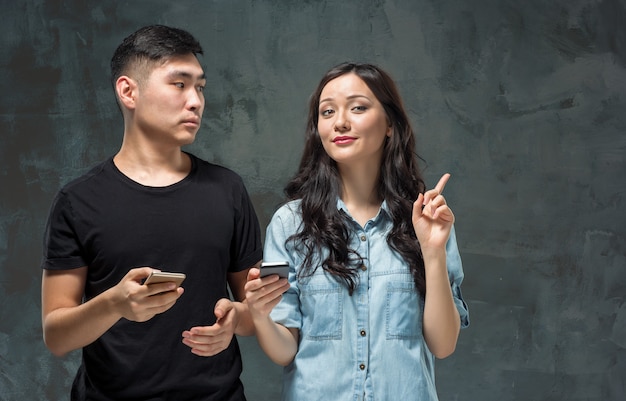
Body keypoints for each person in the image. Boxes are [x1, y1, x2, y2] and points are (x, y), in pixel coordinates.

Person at [41, 25, 262, 401]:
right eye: (179, 84)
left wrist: (235, 321)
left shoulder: (228, 190)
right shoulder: (78, 201)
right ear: (129, 91)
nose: (195, 101)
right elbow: (56, 336)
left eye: (200, 87)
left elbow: (257, 310)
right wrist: (114, 303)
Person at [244, 62, 469, 400]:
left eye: (358, 107)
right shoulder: (290, 224)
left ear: (390, 124)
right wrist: (260, 316)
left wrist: (433, 251)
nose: (340, 122)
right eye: (327, 111)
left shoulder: (427, 220)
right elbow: (284, 350)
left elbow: (443, 345)